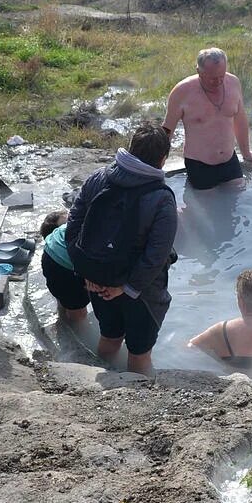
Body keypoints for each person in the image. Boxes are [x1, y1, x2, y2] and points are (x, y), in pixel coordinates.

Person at [66, 122, 178, 376]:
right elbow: (156, 256)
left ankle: (98, 382)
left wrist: (85, 271)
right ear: (162, 160)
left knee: (110, 336)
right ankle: (136, 403)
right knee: (139, 353)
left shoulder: (98, 178)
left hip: (98, 281)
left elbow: (73, 226)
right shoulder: (162, 198)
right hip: (141, 293)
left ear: (129, 149)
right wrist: (127, 288)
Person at [162, 47, 252, 190]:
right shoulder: (182, 92)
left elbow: (240, 120)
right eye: (212, 78)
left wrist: (246, 153)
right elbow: (167, 130)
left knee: (237, 195)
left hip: (229, 159)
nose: (218, 82)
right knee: (205, 206)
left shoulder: (233, 83)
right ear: (199, 72)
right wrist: (157, 164)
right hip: (199, 163)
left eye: (221, 76)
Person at [38, 210, 88, 323]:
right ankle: (74, 327)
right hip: (65, 267)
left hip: (51, 256)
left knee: (64, 299)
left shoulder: (53, 239)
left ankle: (63, 320)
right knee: (78, 313)